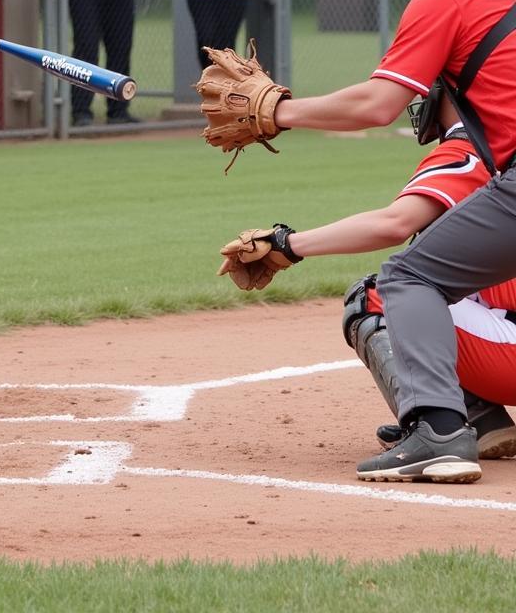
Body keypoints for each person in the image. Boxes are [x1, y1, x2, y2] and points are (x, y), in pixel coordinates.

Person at [222, 0, 516, 484]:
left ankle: (438, 428)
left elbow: (378, 105)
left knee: (403, 279)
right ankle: (472, 415)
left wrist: (279, 111)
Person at [221, 92, 516, 463]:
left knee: (378, 295)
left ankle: (453, 420)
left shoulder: (472, 148)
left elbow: (395, 224)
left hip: (509, 356)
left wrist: (289, 243)